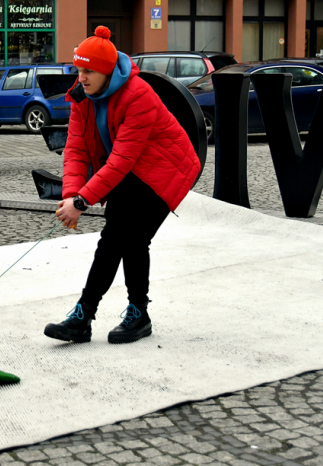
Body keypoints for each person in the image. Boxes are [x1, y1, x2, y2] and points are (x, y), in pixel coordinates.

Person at [45, 27, 201, 344]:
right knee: (111, 238)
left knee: (132, 237)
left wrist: (83, 201)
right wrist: (72, 196)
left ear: (106, 71)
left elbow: (121, 160)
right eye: (79, 70)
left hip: (165, 169)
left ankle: (137, 314)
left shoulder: (138, 94)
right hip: (129, 171)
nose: (82, 77)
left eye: (88, 71)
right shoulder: (81, 96)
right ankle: (83, 317)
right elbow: (75, 150)